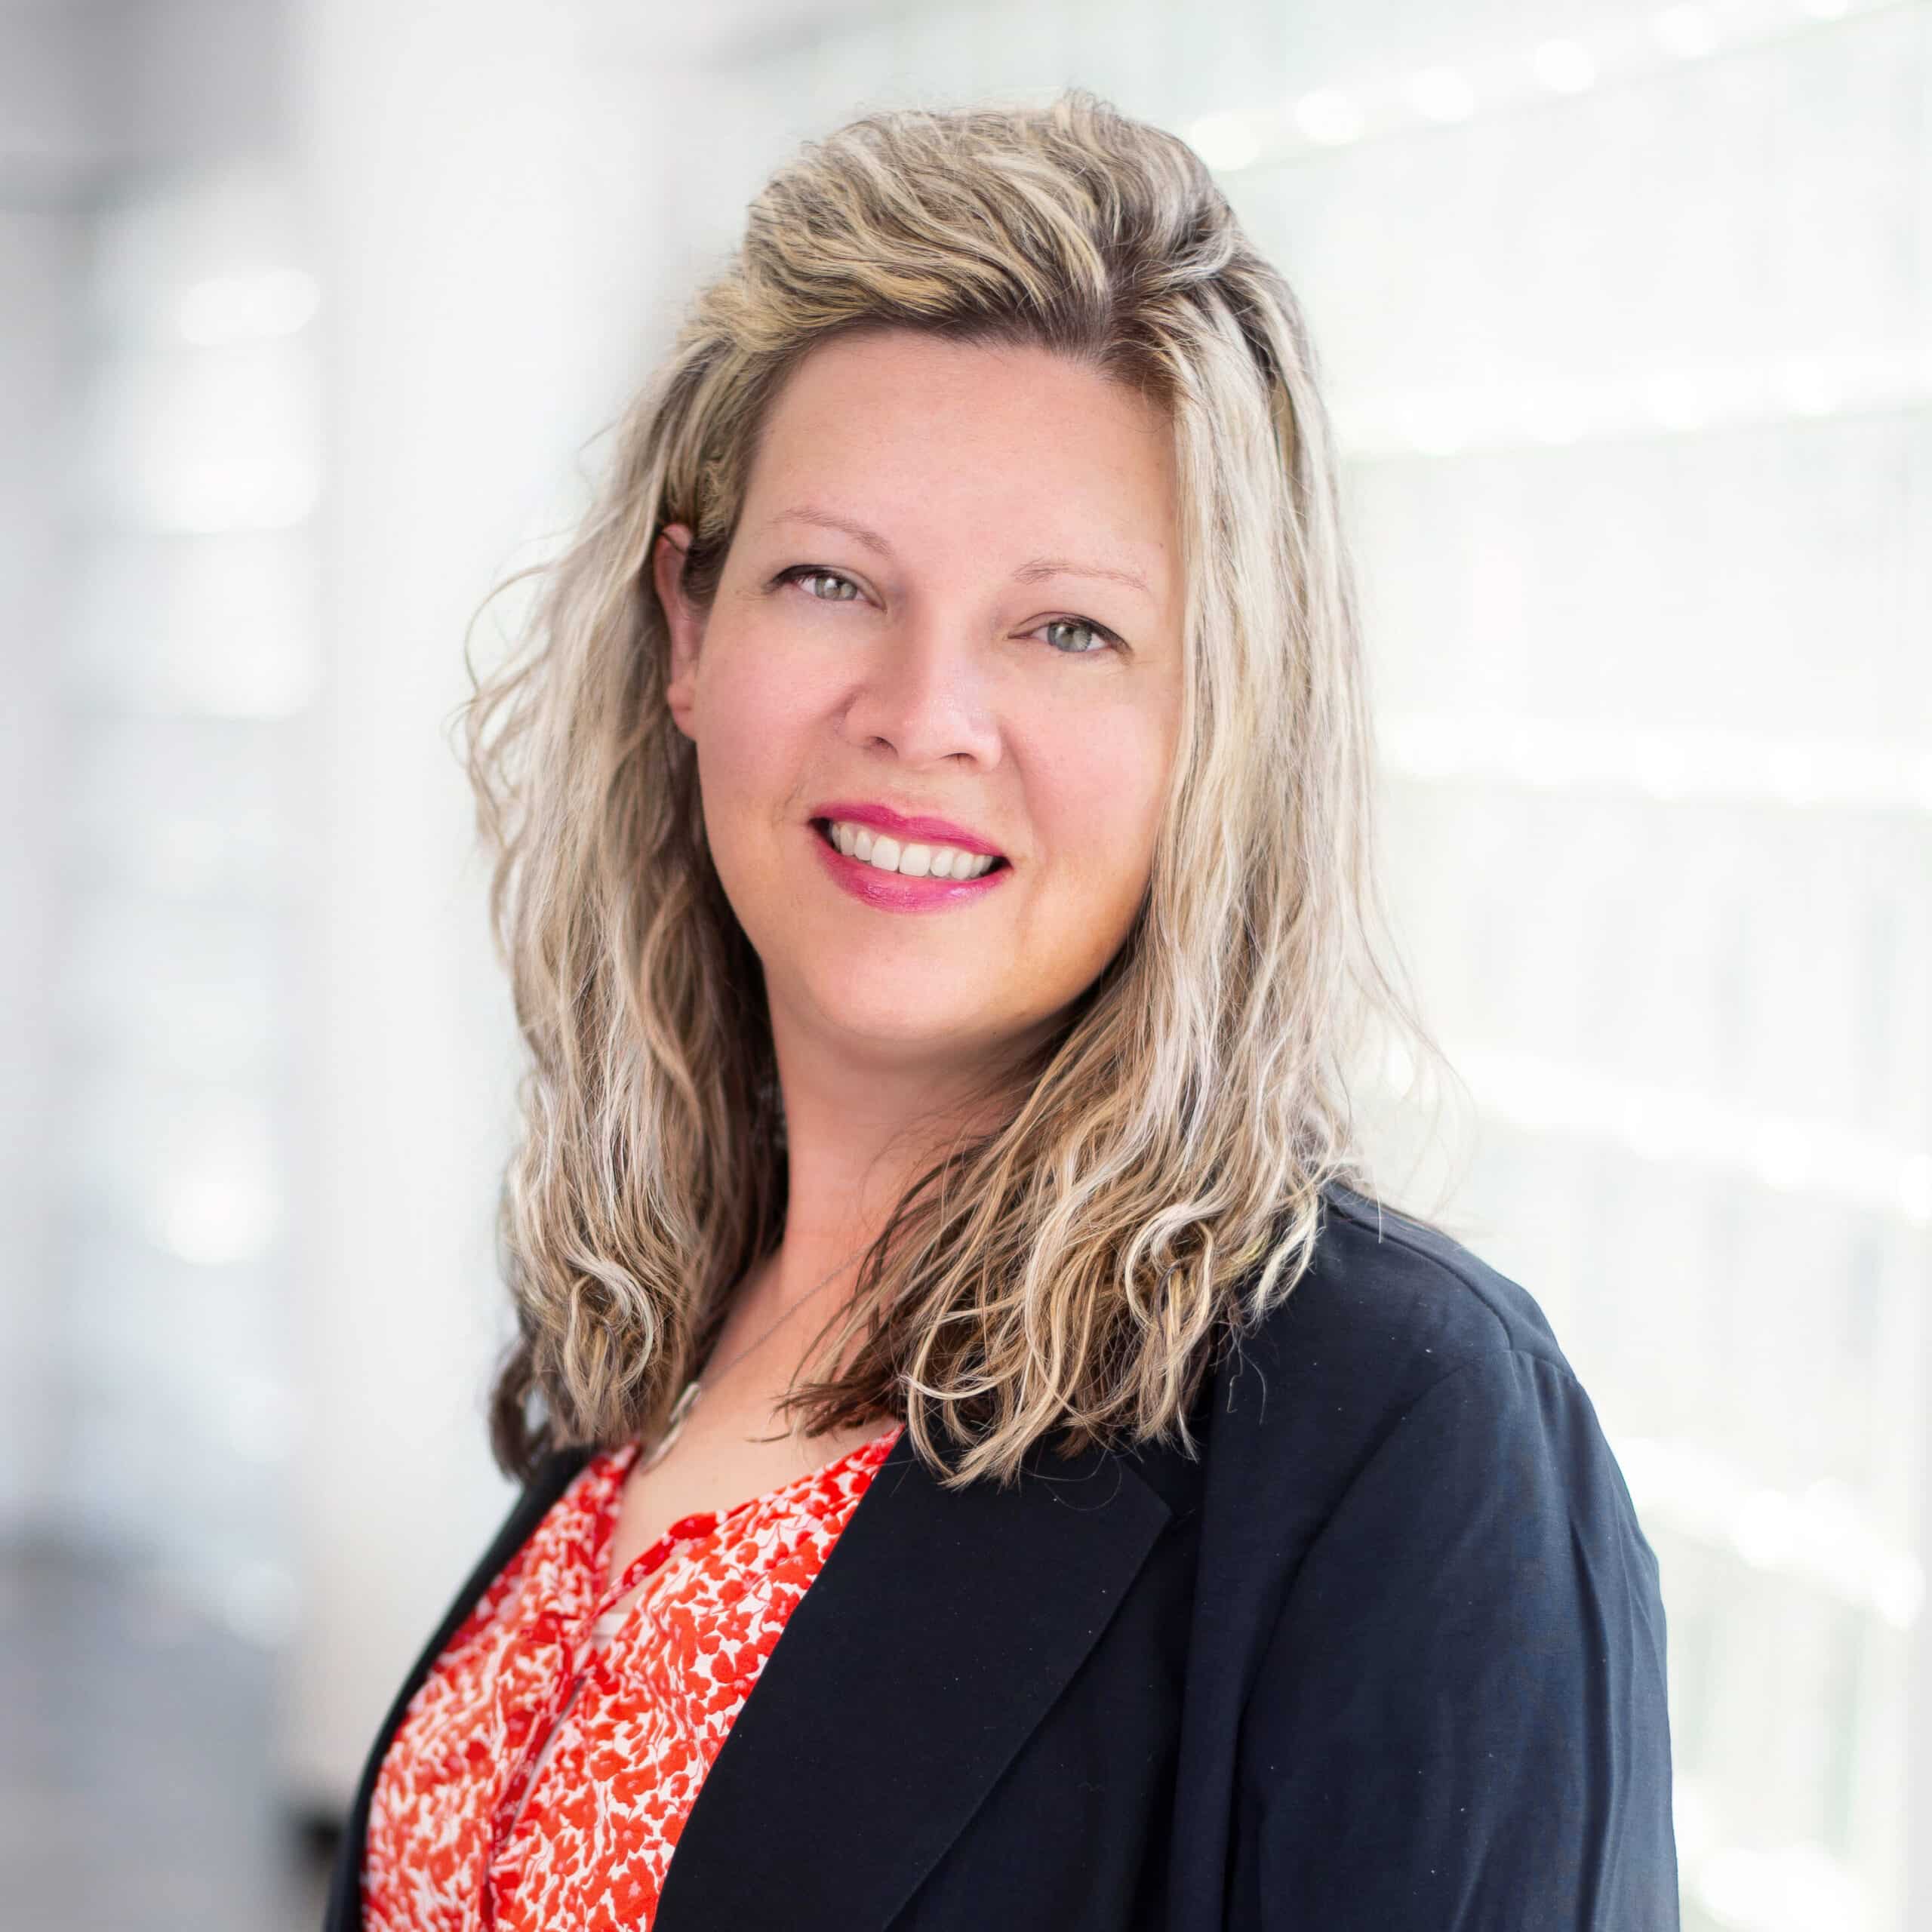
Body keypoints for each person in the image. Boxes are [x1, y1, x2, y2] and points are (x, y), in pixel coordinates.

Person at [324, 88, 1679, 1931]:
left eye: (1066, 629)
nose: (921, 709)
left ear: (1217, 725)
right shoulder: (657, 1324)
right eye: (827, 580)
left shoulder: (1399, 1431)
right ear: (686, 633)